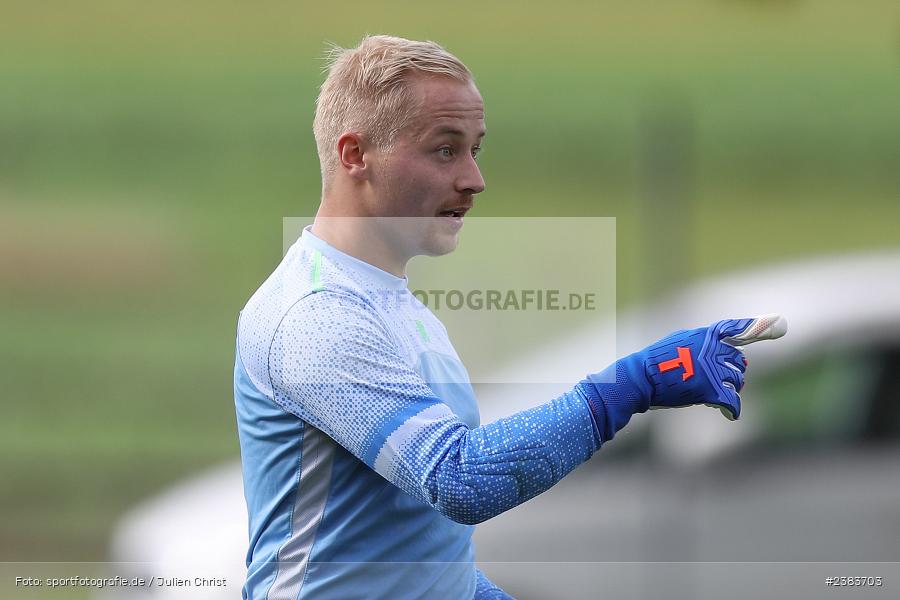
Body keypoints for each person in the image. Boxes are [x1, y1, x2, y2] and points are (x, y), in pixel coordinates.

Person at [233, 34, 786, 600]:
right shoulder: (315, 315)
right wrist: (630, 385)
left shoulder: (390, 301)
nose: (474, 179)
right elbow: (458, 480)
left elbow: (418, 549)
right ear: (355, 155)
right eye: (445, 149)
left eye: (476, 149)